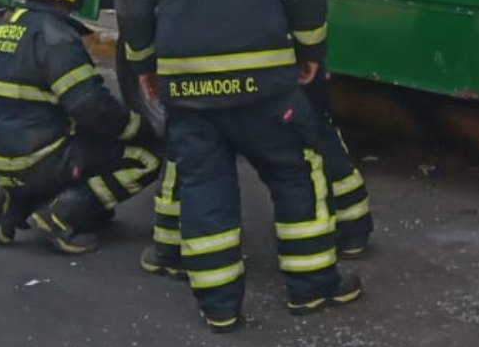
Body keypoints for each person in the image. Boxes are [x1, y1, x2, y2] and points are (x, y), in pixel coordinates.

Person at [115, 0, 361, 332]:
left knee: (204, 190)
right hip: (266, 86)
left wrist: (144, 64)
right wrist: (311, 47)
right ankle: (312, 289)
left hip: (189, 88)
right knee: (297, 173)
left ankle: (220, 307)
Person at [0, 0, 161, 254]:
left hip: (8, 156)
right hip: (44, 156)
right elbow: (91, 107)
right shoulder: (56, 38)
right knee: (145, 158)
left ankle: (14, 203)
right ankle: (64, 215)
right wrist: (141, 129)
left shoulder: (4, 30)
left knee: (79, 151)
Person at [142, 65, 374, 281]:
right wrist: (312, 53)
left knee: (193, 155)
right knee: (310, 136)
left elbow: (138, 21)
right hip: (276, 62)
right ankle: (346, 233)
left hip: (199, 72)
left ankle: (173, 249)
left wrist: (143, 64)